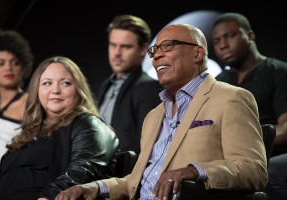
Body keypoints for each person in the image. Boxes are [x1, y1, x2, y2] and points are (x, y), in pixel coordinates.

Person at [55, 24, 267, 200]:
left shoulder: (231, 98)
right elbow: (134, 182)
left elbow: (253, 170)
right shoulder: (154, 115)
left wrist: (195, 171)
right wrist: (94, 187)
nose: (156, 56)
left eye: (168, 46)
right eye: (154, 51)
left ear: (197, 53)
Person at [0, 56, 119, 200]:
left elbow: (83, 169)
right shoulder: (28, 133)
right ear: (37, 89)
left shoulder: (88, 124)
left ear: (78, 89)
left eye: (65, 83)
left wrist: (48, 197)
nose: (55, 90)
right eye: (47, 83)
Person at [210, 12, 287, 200]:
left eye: (230, 36)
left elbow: (285, 130)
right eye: (216, 40)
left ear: (250, 36)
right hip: (235, 158)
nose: (223, 45)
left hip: (275, 154)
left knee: (267, 173)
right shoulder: (219, 82)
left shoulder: (278, 71)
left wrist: (243, 145)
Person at [97, 14, 162, 155]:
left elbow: (147, 147)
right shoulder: (105, 86)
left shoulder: (148, 88)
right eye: (113, 45)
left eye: (125, 47)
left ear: (143, 49)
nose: (117, 53)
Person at [0, 30, 33, 186]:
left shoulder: (31, 104)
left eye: (15, 62)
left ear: (24, 68)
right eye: (0, 63)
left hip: (15, 185)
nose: (8, 67)